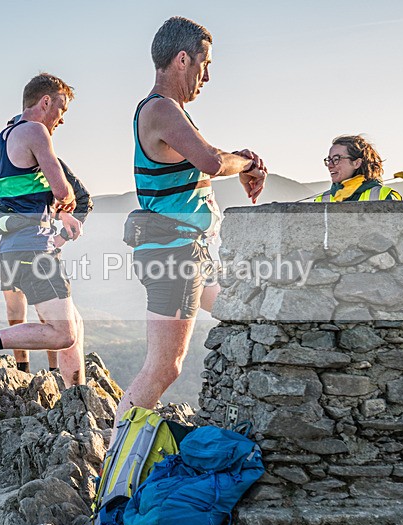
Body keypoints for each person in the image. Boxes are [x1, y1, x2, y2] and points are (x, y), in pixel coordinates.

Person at [112, 17, 268, 437]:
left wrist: (237, 160)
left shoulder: (167, 111)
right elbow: (213, 161)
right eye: (206, 63)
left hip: (188, 253)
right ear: (183, 59)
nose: (208, 75)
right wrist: (247, 162)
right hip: (174, 255)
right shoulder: (161, 108)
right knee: (164, 368)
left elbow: (208, 161)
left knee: (241, 311)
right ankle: (113, 472)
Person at [0, 73, 85, 391]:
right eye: (61, 111)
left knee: (73, 326)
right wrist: (65, 207)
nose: (61, 120)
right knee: (63, 333)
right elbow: (63, 190)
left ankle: (75, 395)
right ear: (46, 102)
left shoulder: (4, 137)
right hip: (35, 247)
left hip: (13, 247)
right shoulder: (36, 131)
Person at [0, 146, 93, 374]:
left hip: (33, 248)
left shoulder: (50, 162)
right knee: (19, 310)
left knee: (51, 318)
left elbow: (83, 200)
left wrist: (61, 236)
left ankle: (51, 370)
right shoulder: (11, 172)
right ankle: (23, 369)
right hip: (19, 251)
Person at [315, 135, 402, 202]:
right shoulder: (321, 201)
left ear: (357, 163)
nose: (330, 165)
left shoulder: (383, 196)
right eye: (329, 160)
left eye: (336, 159)